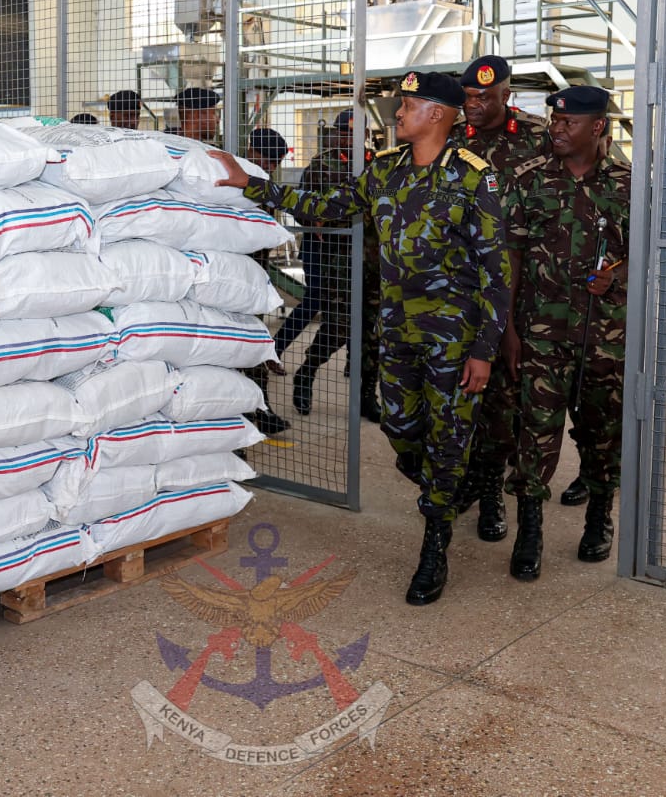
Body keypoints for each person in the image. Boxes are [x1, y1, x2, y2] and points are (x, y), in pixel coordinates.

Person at [210, 72, 510, 607]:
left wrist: (484, 350)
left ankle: (435, 543)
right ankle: (449, 483)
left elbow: (496, 271)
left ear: (437, 113)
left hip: (452, 337)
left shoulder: (473, 177)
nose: (399, 114)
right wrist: (252, 185)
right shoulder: (386, 171)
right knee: (400, 429)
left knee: (447, 439)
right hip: (396, 332)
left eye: (408, 105)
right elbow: (322, 207)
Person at [500, 85, 629, 581]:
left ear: (596, 127)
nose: (556, 128)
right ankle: (529, 531)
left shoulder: (627, 185)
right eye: (554, 120)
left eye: (567, 122)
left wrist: (615, 275)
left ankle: (599, 516)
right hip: (541, 334)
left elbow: (646, 254)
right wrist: (508, 330)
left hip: (606, 335)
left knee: (602, 433)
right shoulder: (528, 179)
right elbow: (510, 258)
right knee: (534, 433)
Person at [451, 56, 566, 546]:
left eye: (485, 97)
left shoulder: (540, 135)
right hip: (465, 288)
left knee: (516, 400)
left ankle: (505, 497)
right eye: (468, 98)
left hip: (529, 288)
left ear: (506, 95)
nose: (474, 106)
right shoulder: (451, 138)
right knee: (473, 396)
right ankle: (484, 488)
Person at [274, 109, 354, 415]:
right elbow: (300, 204)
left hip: (357, 253)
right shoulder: (321, 165)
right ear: (335, 134)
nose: (349, 138)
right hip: (322, 250)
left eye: (355, 132)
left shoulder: (372, 163)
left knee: (356, 310)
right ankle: (277, 351)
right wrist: (314, 220)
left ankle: (354, 366)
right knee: (315, 302)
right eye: (345, 132)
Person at [242, 127, 292, 437]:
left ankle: (261, 408)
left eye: (275, 163)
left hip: (256, 277)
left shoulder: (264, 183)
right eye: (268, 160)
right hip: (234, 277)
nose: (271, 167)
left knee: (256, 341)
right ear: (252, 152)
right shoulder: (238, 180)